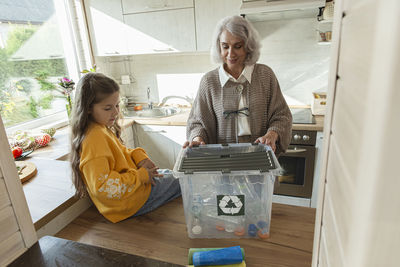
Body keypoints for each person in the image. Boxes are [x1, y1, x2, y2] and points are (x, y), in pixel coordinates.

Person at [70, 72, 181, 223]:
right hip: (129, 204)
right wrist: (142, 176)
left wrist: (139, 158)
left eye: (116, 105)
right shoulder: (94, 139)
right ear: (88, 108)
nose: (115, 112)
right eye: (108, 108)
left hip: (130, 194)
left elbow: (122, 153)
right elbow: (104, 188)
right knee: (183, 180)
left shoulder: (99, 128)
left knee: (169, 174)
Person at [184, 15, 292, 156]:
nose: (230, 53)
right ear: (219, 47)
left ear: (248, 46)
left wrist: (272, 134)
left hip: (260, 156)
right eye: (225, 47)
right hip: (222, 160)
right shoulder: (209, 81)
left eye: (237, 46)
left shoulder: (265, 75)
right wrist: (197, 139)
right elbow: (197, 122)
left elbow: (281, 116)